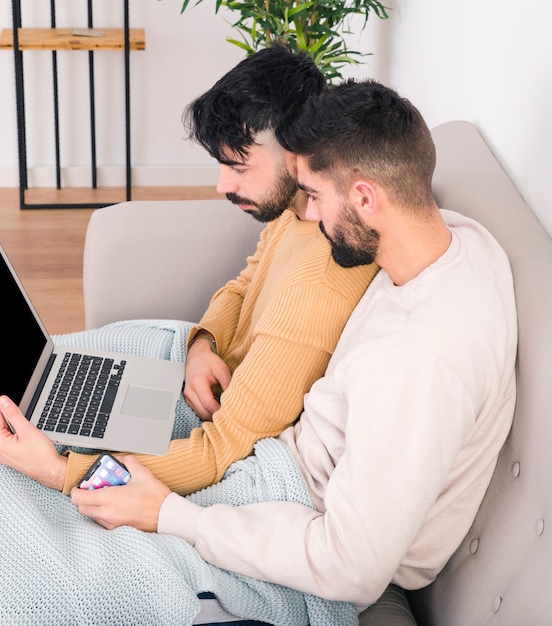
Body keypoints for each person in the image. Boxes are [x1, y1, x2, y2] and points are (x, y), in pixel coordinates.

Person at [64, 79, 518, 608]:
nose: (306, 216)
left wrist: (167, 515)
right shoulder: (460, 242)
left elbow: (351, 567)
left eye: (315, 198)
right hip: (276, 474)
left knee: (54, 551)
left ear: (366, 197)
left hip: (289, 509)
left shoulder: (417, 364)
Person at [0, 45, 378, 497]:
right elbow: (243, 285)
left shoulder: (321, 279)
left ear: (298, 151)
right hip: (192, 387)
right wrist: (201, 345)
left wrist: (59, 471)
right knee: (7, 395)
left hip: (205, 444)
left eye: (239, 166)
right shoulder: (298, 212)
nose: (222, 185)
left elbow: (219, 450)